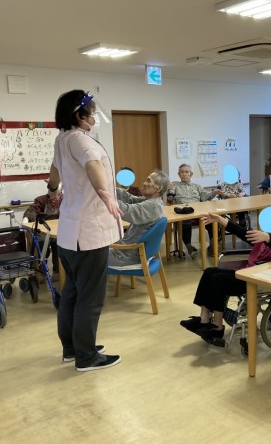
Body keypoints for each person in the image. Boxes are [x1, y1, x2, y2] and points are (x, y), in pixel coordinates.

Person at [48, 89, 123, 372]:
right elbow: (93, 165)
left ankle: (72, 348)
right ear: (80, 116)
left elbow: (54, 171)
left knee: (72, 292)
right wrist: (105, 194)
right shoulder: (81, 140)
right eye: (91, 113)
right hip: (88, 234)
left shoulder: (62, 138)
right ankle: (87, 357)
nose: (94, 117)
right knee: (89, 298)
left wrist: (52, 191)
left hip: (69, 232)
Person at [179, 209, 271, 343]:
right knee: (209, 272)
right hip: (247, 274)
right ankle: (204, 319)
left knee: (217, 280)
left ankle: (217, 327)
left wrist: (268, 238)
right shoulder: (263, 237)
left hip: (260, 280)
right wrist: (219, 219)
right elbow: (241, 232)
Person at [107, 169, 169, 267]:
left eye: (148, 181)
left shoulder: (152, 206)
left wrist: (107, 198)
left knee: (89, 257)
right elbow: (130, 199)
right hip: (129, 252)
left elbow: (126, 211)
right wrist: (110, 189)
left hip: (127, 255)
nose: (144, 183)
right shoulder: (154, 202)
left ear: (159, 188)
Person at [166, 163, 220, 258]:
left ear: (191, 174)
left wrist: (214, 193)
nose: (184, 174)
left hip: (198, 212)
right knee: (185, 223)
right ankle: (190, 247)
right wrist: (170, 191)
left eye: (186, 172)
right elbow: (170, 200)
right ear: (179, 174)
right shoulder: (175, 185)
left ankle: (212, 246)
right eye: (182, 172)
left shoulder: (197, 186)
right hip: (183, 213)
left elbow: (205, 197)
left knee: (213, 220)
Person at [22, 185, 63, 281]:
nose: (55, 197)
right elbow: (32, 210)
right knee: (41, 241)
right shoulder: (41, 200)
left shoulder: (63, 200)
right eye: (53, 194)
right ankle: (41, 271)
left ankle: (57, 271)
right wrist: (26, 218)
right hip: (43, 229)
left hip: (57, 229)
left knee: (59, 242)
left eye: (58, 194)